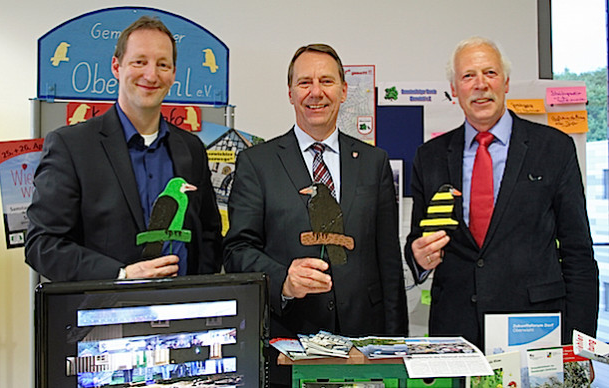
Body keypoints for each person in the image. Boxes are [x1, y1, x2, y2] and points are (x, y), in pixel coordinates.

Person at [224, 43, 408, 385]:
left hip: (362, 345)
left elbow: (388, 262)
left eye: (326, 81)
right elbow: (237, 252)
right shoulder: (257, 163)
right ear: (291, 93)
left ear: (343, 90)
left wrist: (396, 346)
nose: (316, 92)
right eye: (304, 82)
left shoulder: (374, 163)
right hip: (288, 341)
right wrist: (284, 281)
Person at [404, 36, 599, 348]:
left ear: (506, 82)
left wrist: (579, 347)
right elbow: (418, 239)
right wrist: (418, 257)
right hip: (456, 331)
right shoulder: (430, 157)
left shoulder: (554, 148)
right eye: (468, 76)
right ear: (454, 89)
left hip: (534, 332)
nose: (480, 84)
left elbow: (578, 255)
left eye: (490, 73)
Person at [25, 16, 222, 281]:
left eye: (162, 65)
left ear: (173, 74)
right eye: (139, 62)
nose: (151, 75)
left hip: (182, 314)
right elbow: (42, 245)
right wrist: (121, 275)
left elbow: (208, 235)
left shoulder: (191, 149)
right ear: (116, 67)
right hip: (104, 314)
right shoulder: (71, 147)